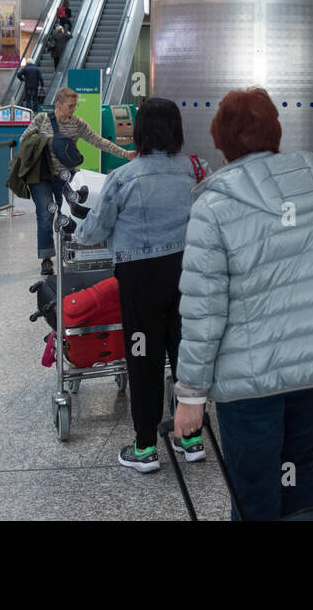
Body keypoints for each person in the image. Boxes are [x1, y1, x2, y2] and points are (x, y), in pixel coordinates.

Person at [172, 87, 313, 520]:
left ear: (221, 141)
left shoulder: (215, 205)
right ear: (274, 134)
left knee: (253, 483)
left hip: (251, 379)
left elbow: (205, 310)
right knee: (297, 463)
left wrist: (190, 395)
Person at [73, 98, 200, 473]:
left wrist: (76, 230)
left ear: (140, 132)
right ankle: (191, 439)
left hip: (141, 279)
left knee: (143, 359)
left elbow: (93, 229)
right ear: (176, 130)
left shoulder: (124, 177)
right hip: (188, 274)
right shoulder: (196, 168)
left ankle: (145, 448)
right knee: (186, 354)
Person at [22, 87, 133, 276]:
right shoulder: (41, 119)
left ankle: (70, 253)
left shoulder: (77, 123)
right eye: (70, 106)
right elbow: (24, 139)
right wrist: (40, 143)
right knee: (45, 214)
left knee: (68, 215)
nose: (73, 109)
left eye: (74, 106)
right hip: (40, 177)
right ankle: (46, 258)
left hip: (65, 176)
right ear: (58, 104)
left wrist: (124, 153)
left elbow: (98, 141)